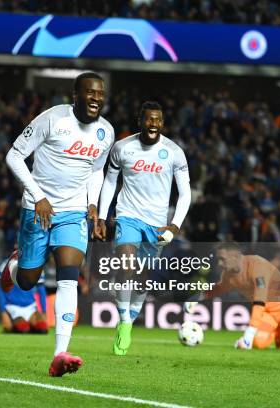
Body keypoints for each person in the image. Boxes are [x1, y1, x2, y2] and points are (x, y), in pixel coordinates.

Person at [1, 72, 114, 376]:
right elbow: (14, 156)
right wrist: (37, 195)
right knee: (26, 280)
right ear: (74, 94)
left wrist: (93, 205)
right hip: (37, 210)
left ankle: (60, 353)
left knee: (68, 275)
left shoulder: (106, 132)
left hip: (73, 212)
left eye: (100, 94)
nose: (96, 99)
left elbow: (97, 171)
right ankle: (13, 266)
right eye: (89, 93)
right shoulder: (52, 119)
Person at [97, 101, 191, 355]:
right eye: (148, 119)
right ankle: (124, 320)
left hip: (157, 224)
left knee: (141, 279)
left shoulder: (174, 152)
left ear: (162, 123)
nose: (153, 124)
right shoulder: (122, 148)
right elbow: (109, 183)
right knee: (126, 265)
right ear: (140, 121)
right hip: (127, 216)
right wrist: (103, 217)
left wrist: (174, 225)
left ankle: (132, 312)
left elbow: (185, 195)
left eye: (157, 120)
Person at [185, 242, 280, 350]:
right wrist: (197, 298)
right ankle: (277, 329)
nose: (219, 263)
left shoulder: (257, 265)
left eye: (222, 259)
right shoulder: (228, 275)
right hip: (268, 313)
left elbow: (259, 300)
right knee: (258, 343)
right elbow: (218, 289)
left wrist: (248, 334)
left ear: (234, 256)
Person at [0, 257, 48, 334]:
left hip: (31, 307)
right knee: (22, 328)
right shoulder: (6, 264)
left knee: (42, 328)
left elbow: (41, 290)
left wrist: (44, 312)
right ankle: (11, 327)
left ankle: (26, 326)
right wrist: (3, 312)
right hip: (13, 307)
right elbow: (0, 289)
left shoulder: (36, 264)